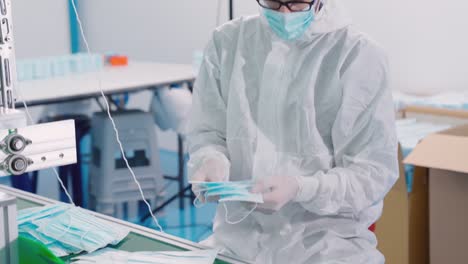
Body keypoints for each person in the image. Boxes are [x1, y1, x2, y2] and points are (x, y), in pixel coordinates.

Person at [187, 0, 399, 263]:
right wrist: (210, 159)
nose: (284, 14)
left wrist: (301, 188)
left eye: (297, 3)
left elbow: (372, 173)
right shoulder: (228, 41)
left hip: (327, 248)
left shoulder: (358, 55)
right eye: (273, 2)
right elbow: (207, 132)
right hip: (235, 246)